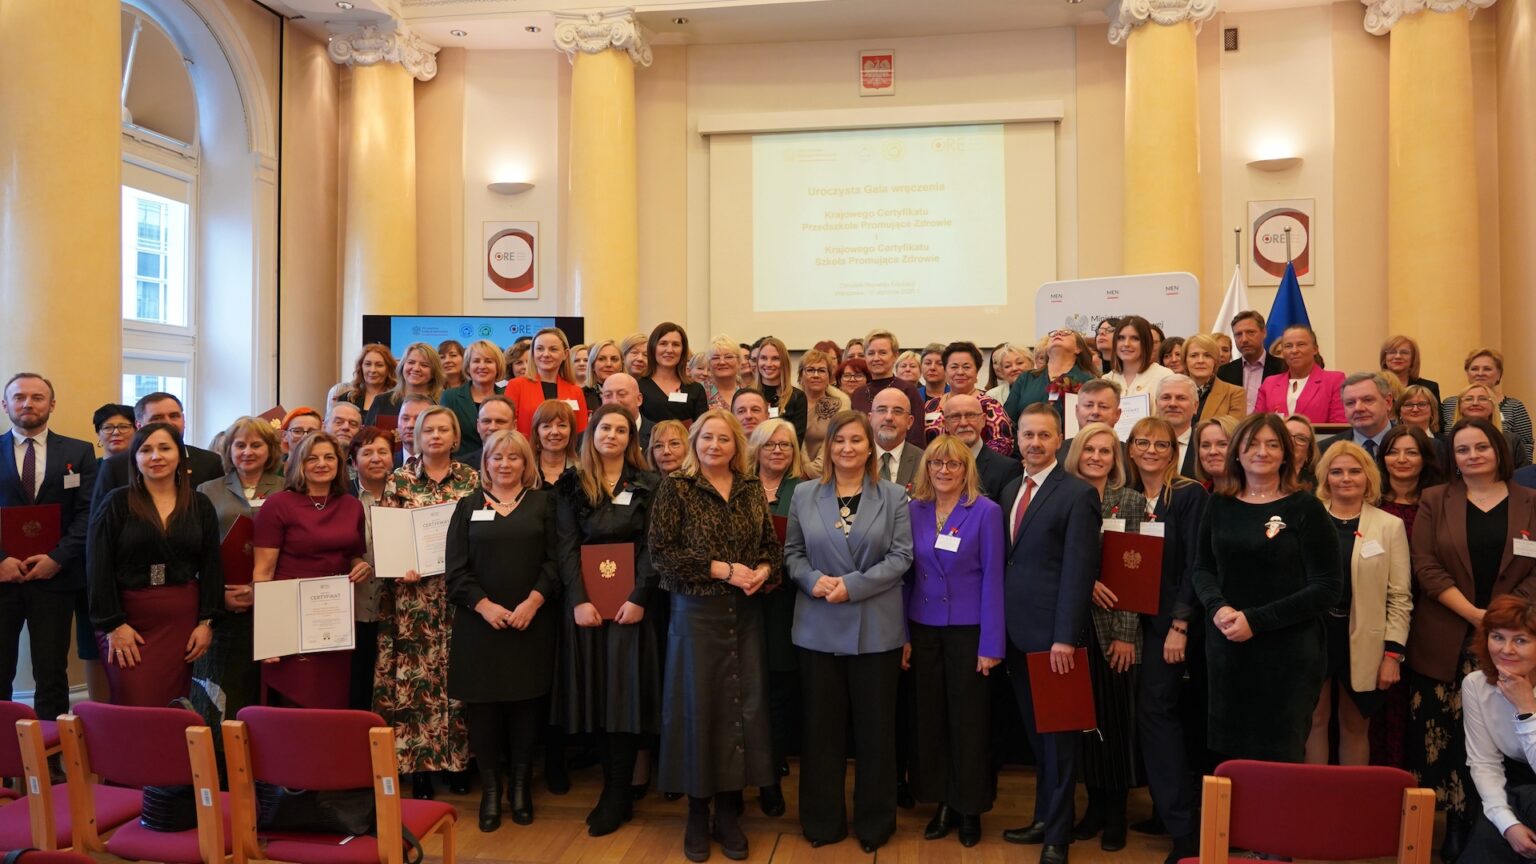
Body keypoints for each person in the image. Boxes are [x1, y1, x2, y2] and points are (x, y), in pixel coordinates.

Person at [648, 410, 781, 863]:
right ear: (695, 442)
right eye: (707, 437)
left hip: (744, 613)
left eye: (724, 438)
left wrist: (762, 570)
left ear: (736, 445)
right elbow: (661, 555)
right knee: (697, 711)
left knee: (739, 711)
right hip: (696, 615)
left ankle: (728, 811)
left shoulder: (750, 488)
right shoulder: (676, 487)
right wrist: (721, 570)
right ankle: (696, 810)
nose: (714, 445)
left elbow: (770, 547)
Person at [1406, 417, 1536, 860]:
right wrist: (1475, 615)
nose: (1473, 455)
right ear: (1453, 458)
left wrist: (1498, 619)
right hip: (1443, 636)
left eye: (1481, 446)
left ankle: (1492, 820)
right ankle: (1453, 826)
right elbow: (1425, 565)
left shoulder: (1530, 501)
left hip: (1511, 640)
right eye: (1462, 449)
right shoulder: (1434, 499)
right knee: (1444, 741)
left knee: (1495, 742)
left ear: (1499, 450)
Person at [785, 410, 913, 853]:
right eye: (839, 440)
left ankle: (875, 823)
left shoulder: (893, 495)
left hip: (875, 627)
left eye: (857, 440)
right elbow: (792, 553)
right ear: (827, 447)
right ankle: (822, 821)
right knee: (821, 732)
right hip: (818, 624)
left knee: (876, 732)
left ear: (869, 447)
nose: (847, 448)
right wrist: (811, 580)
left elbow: (901, 557)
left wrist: (852, 587)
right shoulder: (804, 494)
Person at [1193, 413, 1342, 765]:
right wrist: (1217, 607)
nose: (1262, 452)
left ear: (1286, 453)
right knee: (1230, 759)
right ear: (1237, 452)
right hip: (1228, 648)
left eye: (1273, 444)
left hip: (1287, 654)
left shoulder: (1305, 507)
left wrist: (1255, 621)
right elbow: (1202, 568)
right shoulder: (1218, 503)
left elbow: (1327, 587)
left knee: (1279, 759)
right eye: (1253, 444)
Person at [553, 404, 664, 833]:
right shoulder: (571, 483)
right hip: (587, 611)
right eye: (604, 428)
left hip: (631, 609)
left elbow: (654, 546)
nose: (612, 435)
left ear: (630, 439)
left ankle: (618, 792)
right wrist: (579, 600)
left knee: (625, 698)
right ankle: (612, 787)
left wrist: (639, 597)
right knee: (598, 697)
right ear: (591, 434)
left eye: (620, 430)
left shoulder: (649, 484)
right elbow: (565, 547)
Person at [998, 404, 1102, 863]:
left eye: (1044, 435)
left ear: (1059, 439)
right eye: (1028, 435)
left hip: (1055, 641)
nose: (1035, 443)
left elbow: (1079, 571)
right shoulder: (1008, 490)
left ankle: (1058, 837)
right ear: (1017, 439)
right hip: (1016, 636)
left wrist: (1065, 637)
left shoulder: (1078, 494)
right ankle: (1043, 818)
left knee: (1059, 742)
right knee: (1038, 740)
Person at [447, 428, 558, 829]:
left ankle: (521, 788)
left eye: (514, 457)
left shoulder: (544, 503)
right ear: (486, 463)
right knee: (484, 711)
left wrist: (533, 601)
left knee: (526, 707)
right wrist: (484, 606)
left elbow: (555, 562)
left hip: (531, 623)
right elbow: (456, 571)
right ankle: (492, 791)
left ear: (526, 463)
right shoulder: (467, 506)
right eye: (497, 457)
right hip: (480, 627)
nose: (505, 464)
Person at [904, 435, 1004, 848]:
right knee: (932, 719)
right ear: (926, 469)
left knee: (969, 722)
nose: (944, 471)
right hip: (924, 628)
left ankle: (970, 807)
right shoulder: (913, 510)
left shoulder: (986, 512)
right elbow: (905, 577)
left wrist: (991, 644)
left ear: (966, 470)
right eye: (936, 463)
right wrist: (904, 635)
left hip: (969, 631)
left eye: (953, 464)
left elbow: (994, 578)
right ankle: (944, 801)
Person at [375, 406, 478, 799]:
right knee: (415, 681)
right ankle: (419, 767)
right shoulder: (399, 480)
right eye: (428, 430)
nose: (436, 436)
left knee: (457, 677)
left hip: (458, 595)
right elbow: (388, 536)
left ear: (455, 437)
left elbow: (478, 533)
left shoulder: (471, 479)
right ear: (416, 437)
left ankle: (458, 763)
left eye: (443, 429)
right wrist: (400, 565)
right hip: (413, 597)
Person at [1122, 416, 1210, 860]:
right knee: (1144, 716)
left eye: (1161, 444)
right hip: (1130, 624)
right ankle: (1162, 810)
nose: (1151, 450)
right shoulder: (1127, 496)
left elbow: (1197, 564)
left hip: (1171, 628)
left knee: (1157, 714)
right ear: (1131, 449)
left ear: (1174, 452)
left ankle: (1185, 832)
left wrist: (1180, 624)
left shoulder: (1189, 495)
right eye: (1143, 442)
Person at [88, 423, 220, 706]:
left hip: (180, 621)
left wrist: (206, 622)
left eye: (164, 448)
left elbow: (212, 566)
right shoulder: (116, 503)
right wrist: (113, 625)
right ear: (135, 458)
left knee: (173, 704)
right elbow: (97, 566)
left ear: (179, 455)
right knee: (134, 700)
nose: (156, 456)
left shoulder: (200, 504)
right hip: (125, 620)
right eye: (146, 450)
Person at [1061, 422, 1147, 855]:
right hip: (1070, 630)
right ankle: (1093, 808)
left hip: (1114, 633)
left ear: (1116, 459)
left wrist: (1127, 636)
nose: (1096, 457)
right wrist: (1084, 582)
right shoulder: (1061, 496)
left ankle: (1116, 815)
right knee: (1082, 724)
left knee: (1114, 725)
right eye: (1089, 449)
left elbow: (1137, 572)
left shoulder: (1130, 501)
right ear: (1076, 452)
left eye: (1106, 451)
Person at [1304, 442, 1412, 767]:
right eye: (1337, 471)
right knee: (1313, 722)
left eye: (1354, 471)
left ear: (1368, 477)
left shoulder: (1389, 525)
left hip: (1365, 639)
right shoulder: (1307, 518)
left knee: (1354, 726)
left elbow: (1400, 597)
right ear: (1325, 477)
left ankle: (1349, 798)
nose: (1346, 478)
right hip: (1313, 635)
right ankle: (1314, 796)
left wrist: (1393, 655)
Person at [2, 373, 97, 722]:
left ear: (52, 404)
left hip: (56, 579)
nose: (28, 403)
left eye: (37, 397)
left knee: (52, 671)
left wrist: (57, 558)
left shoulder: (78, 452)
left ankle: (50, 745)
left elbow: (88, 513)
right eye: (19, 397)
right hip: (2, 579)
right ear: (5, 405)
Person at [252, 432, 370, 708]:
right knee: (294, 699)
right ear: (299, 464)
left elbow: (353, 556)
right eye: (312, 458)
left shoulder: (352, 506)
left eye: (329, 457)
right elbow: (263, 572)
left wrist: (360, 566)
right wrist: (267, 634)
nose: (322, 464)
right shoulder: (278, 504)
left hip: (334, 617)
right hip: (289, 614)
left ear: (339, 464)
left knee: (331, 699)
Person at [191, 417, 283, 730]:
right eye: (240, 445)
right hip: (225, 602)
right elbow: (198, 549)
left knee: (265, 686)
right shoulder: (207, 489)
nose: (247, 451)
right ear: (228, 449)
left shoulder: (287, 487)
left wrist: (262, 590)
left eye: (256, 445)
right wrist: (219, 595)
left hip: (273, 601)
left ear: (270, 450)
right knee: (225, 685)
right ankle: (224, 750)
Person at [748, 418, 804, 817]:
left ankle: (772, 770)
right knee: (749, 689)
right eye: (770, 444)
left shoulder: (805, 490)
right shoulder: (739, 486)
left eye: (785, 445)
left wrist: (778, 572)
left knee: (781, 690)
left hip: (787, 603)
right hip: (743, 602)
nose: (778, 451)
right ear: (756, 448)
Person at [1461, 595, 1536, 862]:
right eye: (1497, 637)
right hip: (1513, 785)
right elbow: (1484, 763)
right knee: (1492, 832)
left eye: (1520, 640)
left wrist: (1526, 708)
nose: (1506, 650)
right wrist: (1507, 824)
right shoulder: (1476, 685)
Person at [92, 392, 225, 518]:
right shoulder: (115, 466)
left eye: (174, 416)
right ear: (139, 425)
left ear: (183, 420)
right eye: (157, 418)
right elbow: (99, 521)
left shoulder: (210, 462)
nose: (168, 423)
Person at [348, 427, 393, 710]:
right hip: (354, 607)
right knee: (357, 684)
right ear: (354, 462)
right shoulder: (343, 499)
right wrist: (352, 560)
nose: (376, 458)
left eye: (382, 452)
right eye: (367, 453)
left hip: (395, 607)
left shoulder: (407, 496)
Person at [924, 342, 1014, 456]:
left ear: (976, 372)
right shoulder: (930, 406)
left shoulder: (990, 405)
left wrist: (964, 462)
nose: (960, 372)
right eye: (954, 367)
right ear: (945, 372)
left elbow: (1003, 444)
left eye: (966, 367)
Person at [506, 327, 590, 440]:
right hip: (526, 449)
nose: (545, 354)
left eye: (553, 349)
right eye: (540, 349)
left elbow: (581, 434)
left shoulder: (575, 391)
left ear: (565, 354)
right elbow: (508, 429)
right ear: (533, 353)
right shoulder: (516, 386)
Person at [1441, 349, 1533, 451]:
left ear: (1499, 374)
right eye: (1474, 369)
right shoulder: (1449, 404)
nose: (1480, 373)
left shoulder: (1515, 407)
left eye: (1487, 369)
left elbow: (1526, 445)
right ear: (1467, 373)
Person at [1253, 325, 1346, 423]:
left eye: (1301, 344)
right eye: (1288, 346)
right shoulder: (1269, 384)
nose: (1294, 350)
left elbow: (1339, 425)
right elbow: (1257, 424)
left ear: (1315, 349)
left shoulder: (1334, 381)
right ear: (1283, 352)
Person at [851, 331, 926, 447]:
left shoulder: (908, 390)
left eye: (882, 353)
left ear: (895, 356)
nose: (876, 358)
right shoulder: (858, 394)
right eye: (871, 353)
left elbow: (916, 438)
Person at [1005, 328, 1096, 425]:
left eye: (1066, 333)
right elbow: (1007, 419)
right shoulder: (1026, 378)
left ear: (1078, 348)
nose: (1057, 333)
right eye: (1053, 333)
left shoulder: (1089, 382)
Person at [944, 393, 1022, 503]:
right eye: (955, 417)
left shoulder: (1007, 469)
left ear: (983, 420)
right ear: (946, 424)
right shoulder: (935, 467)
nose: (963, 423)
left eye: (971, 415)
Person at [441, 339, 507, 458]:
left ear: (498, 366)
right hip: (461, 465)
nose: (482, 366)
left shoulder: (508, 394)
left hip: (502, 462)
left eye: (488, 361)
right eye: (476, 361)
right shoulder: (450, 397)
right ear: (468, 367)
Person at [638, 323, 710, 426]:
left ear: (683, 350)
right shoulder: (638, 387)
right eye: (663, 343)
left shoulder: (696, 390)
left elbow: (703, 429)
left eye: (676, 344)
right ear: (653, 347)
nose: (669, 350)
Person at [1216, 311, 1284, 414]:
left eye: (1250, 332)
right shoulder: (1224, 372)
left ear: (1264, 332)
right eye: (1238, 334)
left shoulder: (1283, 368)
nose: (1244, 339)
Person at [797, 348, 850, 477]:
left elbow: (835, 442)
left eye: (821, 370)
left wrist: (810, 472)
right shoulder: (790, 404)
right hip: (794, 475)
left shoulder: (839, 406)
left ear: (829, 377)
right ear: (801, 375)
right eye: (810, 370)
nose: (816, 375)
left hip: (829, 475)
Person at [1456, 383, 1533, 467]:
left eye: (1483, 399)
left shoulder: (1512, 441)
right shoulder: (1450, 441)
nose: (1475, 403)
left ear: (1493, 406)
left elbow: (1523, 473)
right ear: (1460, 407)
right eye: (1468, 399)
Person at [1322, 373, 1396, 456]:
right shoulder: (1324, 451)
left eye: (1368, 400)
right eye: (1350, 403)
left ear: (1388, 402)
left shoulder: (1408, 441)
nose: (1358, 408)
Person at [1103, 315, 1174, 400]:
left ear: (1146, 343)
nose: (1126, 344)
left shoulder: (1164, 376)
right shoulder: (1106, 380)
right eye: (1121, 338)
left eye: (1135, 338)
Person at [753, 337, 809, 443]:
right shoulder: (745, 395)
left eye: (775, 358)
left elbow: (796, 442)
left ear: (784, 362)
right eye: (763, 358)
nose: (768, 364)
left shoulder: (797, 397)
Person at [1181, 335, 1245, 425]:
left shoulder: (1235, 394)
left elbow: (1233, 430)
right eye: (1194, 355)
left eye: (1207, 355)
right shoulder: (1172, 391)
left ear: (1215, 361)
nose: (1200, 361)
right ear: (1185, 361)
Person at [871, 387, 921, 487]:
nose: (889, 417)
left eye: (897, 411)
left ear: (909, 422)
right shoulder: (855, 457)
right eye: (882, 410)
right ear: (870, 418)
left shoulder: (923, 461)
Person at [339, 343, 399, 426]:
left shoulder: (398, 400)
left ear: (388, 369)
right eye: (367, 364)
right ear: (361, 367)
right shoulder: (346, 398)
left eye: (379, 365)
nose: (372, 370)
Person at [1155, 374, 1202, 478]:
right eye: (1166, 397)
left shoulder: (1204, 445)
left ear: (1195, 406)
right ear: (1156, 404)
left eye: (1181, 398)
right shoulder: (1140, 446)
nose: (1172, 404)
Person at [531, 399, 579, 488]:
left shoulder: (583, 471)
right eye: (546, 426)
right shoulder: (523, 470)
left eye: (562, 425)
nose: (554, 432)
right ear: (537, 432)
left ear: (571, 431)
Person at [1380, 335, 1440, 403]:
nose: (1398, 356)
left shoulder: (1429, 388)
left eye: (1404, 352)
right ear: (1384, 358)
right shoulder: (1374, 385)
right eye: (1392, 352)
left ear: (1413, 358)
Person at [600, 372, 651, 448]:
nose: (614, 401)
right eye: (608, 395)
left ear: (639, 399)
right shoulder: (587, 437)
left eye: (622, 394)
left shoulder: (657, 435)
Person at [392, 342, 447, 410]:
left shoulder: (446, 401)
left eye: (424, 365)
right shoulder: (382, 401)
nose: (416, 369)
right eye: (411, 362)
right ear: (402, 366)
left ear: (434, 372)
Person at [1193, 416, 1238, 490]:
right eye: (1205, 445)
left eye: (1222, 444)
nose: (1212, 452)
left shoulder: (1253, 494)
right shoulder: (1197, 492)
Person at [703, 336, 744, 412]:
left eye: (728, 357)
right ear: (709, 363)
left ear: (739, 361)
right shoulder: (700, 391)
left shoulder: (747, 391)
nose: (722, 362)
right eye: (715, 358)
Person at [583, 339, 623, 411]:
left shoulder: (631, 393)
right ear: (592, 365)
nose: (608, 364)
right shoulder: (582, 395)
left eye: (614, 359)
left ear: (621, 366)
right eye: (601, 359)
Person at [392, 395, 431, 467]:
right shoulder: (387, 464)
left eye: (418, 419)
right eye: (405, 418)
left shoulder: (447, 465)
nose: (410, 425)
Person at [1286, 414, 1322, 493]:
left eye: (1301, 439)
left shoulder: (1319, 486)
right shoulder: (1261, 477)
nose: (1291, 441)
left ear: (1309, 452)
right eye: (1286, 435)